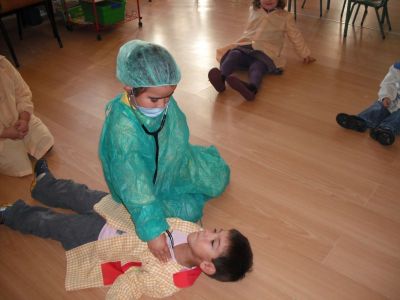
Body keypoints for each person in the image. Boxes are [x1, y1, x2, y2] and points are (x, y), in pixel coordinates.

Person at [0, 160, 253, 299]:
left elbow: (132, 284)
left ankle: (13, 213)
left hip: (98, 238)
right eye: (216, 231)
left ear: (207, 266)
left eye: (213, 242)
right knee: (78, 193)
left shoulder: (169, 278)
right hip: (117, 211)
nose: (208, 232)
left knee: (54, 224)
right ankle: (44, 186)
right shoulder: (189, 227)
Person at [98, 40, 231, 263]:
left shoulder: (162, 101)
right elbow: (134, 184)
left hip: (174, 165)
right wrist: (152, 232)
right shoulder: (122, 132)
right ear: (129, 87)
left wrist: (182, 166)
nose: (162, 105)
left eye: (168, 96)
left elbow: (177, 139)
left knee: (219, 178)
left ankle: (186, 183)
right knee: (188, 213)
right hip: (143, 186)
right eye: (154, 99)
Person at [208, 0, 316, 101]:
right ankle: (221, 79)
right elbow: (249, 29)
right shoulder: (254, 10)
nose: (268, 0)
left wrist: (305, 53)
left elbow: (295, 35)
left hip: (265, 54)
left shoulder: (286, 17)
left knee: (257, 67)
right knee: (233, 54)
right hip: (245, 47)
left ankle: (251, 89)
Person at [0, 55, 54, 177]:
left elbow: (22, 92)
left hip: (18, 118)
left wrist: (24, 118)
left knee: (45, 141)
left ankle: (25, 146)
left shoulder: (3, 63)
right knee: (18, 164)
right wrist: (5, 133)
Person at [336, 61, 400, 146]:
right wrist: (386, 96)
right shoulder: (397, 68)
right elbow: (388, 83)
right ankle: (361, 121)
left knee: (397, 118)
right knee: (379, 107)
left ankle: (385, 130)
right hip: (394, 100)